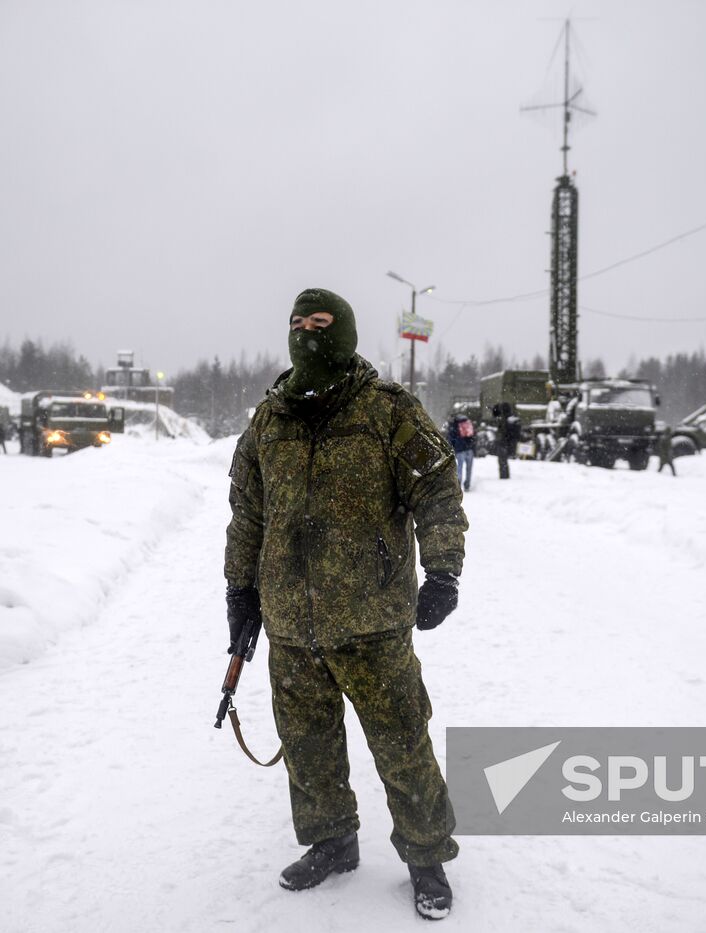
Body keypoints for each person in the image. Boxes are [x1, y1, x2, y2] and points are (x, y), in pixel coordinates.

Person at [224, 287, 467, 921]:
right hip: (291, 624)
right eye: (297, 322)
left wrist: (443, 571)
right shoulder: (269, 420)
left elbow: (437, 489)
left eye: (320, 322)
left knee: (401, 742)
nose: (306, 333)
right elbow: (247, 514)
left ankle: (426, 856)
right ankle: (331, 841)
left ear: (345, 330)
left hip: (372, 619)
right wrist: (240, 589)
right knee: (308, 746)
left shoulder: (386, 408)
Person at [445, 411, 476, 491]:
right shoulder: (467, 422)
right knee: (469, 469)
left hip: (460, 450)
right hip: (469, 449)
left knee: (459, 468)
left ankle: (458, 486)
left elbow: (451, 438)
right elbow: (473, 436)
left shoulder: (454, 425)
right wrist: (473, 448)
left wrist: (452, 448)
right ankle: (467, 485)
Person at [493, 402, 521, 479]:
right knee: (504, 461)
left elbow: (502, 430)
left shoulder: (504, 419)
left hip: (503, 442)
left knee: (502, 460)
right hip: (509, 441)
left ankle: (503, 476)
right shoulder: (513, 418)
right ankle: (505, 475)